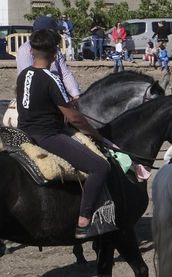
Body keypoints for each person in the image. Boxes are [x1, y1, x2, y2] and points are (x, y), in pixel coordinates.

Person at [17, 31, 112, 239]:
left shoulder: (24, 74)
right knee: (100, 166)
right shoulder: (52, 77)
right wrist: (96, 135)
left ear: (31, 51)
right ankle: (84, 220)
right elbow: (73, 117)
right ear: (55, 54)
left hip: (22, 132)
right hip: (46, 136)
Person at [15, 15, 84, 101]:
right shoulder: (25, 50)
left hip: (56, 90)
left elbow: (65, 73)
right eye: (55, 30)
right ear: (46, 32)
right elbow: (29, 79)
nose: (57, 33)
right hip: (37, 97)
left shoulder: (55, 49)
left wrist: (76, 95)